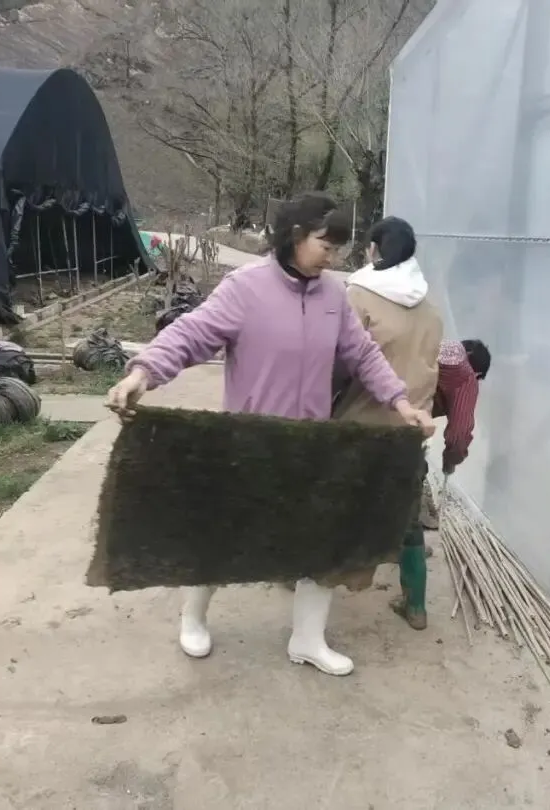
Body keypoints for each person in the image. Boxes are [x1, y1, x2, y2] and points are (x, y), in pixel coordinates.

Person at [105, 192, 435, 678]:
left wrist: (401, 403)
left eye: (339, 248)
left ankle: (308, 640)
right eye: (326, 245)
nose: (333, 257)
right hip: (249, 443)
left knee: (319, 544)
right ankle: (193, 619)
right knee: (222, 537)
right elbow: (192, 333)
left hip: (311, 446)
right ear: (295, 235)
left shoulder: (333, 297)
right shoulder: (246, 288)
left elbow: (363, 354)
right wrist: (144, 372)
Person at [331, 216, 442, 631]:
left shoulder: (358, 295)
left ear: (375, 250)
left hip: (360, 422)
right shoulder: (431, 309)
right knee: (407, 514)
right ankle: (416, 605)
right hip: (410, 429)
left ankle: (317, 579)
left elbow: (339, 364)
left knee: (337, 504)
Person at [421, 338, 492, 530]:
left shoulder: (437, 343)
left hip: (366, 399)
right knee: (411, 471)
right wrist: (451, 460)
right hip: (403, 422)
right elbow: (459, 433)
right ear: (477, 373)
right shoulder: (466, 377)